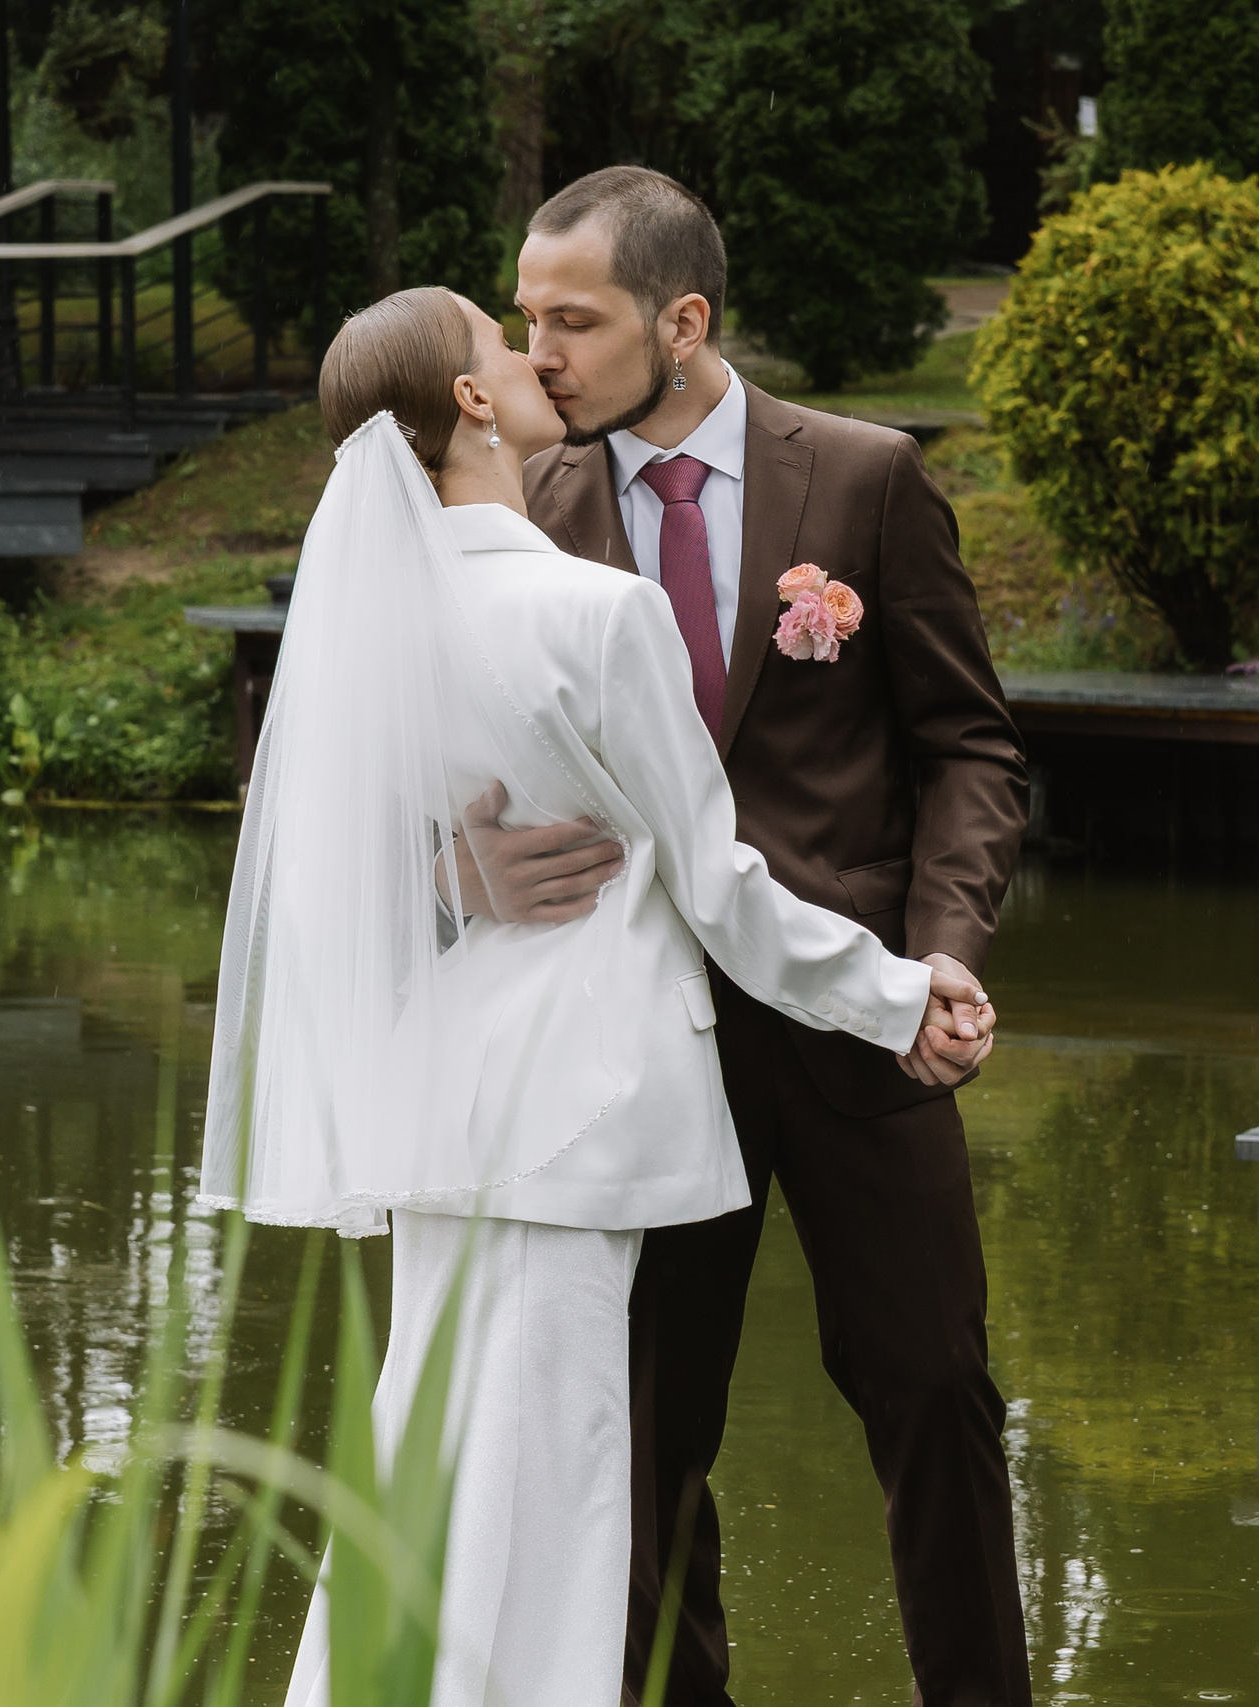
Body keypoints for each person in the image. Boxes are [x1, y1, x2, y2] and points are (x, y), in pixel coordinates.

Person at [198, 285, 992, 1707]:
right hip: (586, 1111)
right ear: (478, 404)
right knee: (564, 1486)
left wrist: (457, 883)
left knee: (434, 1460)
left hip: (442, 1106)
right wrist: (894, 993)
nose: (530, 351)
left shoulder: (374, 628)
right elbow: (719, 888)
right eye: (502, 340)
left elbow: (325, 878)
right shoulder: (598, 609)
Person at [453, 167, 1032, 1704]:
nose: (542, 351)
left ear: (683, 319)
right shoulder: (530, 513)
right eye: (528, 318)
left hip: (863, 1030)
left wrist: (944, 946)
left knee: (937, 1396)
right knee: (642, 1436)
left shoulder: (863, 478)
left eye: (573, 318)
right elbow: (448, 765)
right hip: (634, 1045)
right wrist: (473, 866)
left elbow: (970, 747)